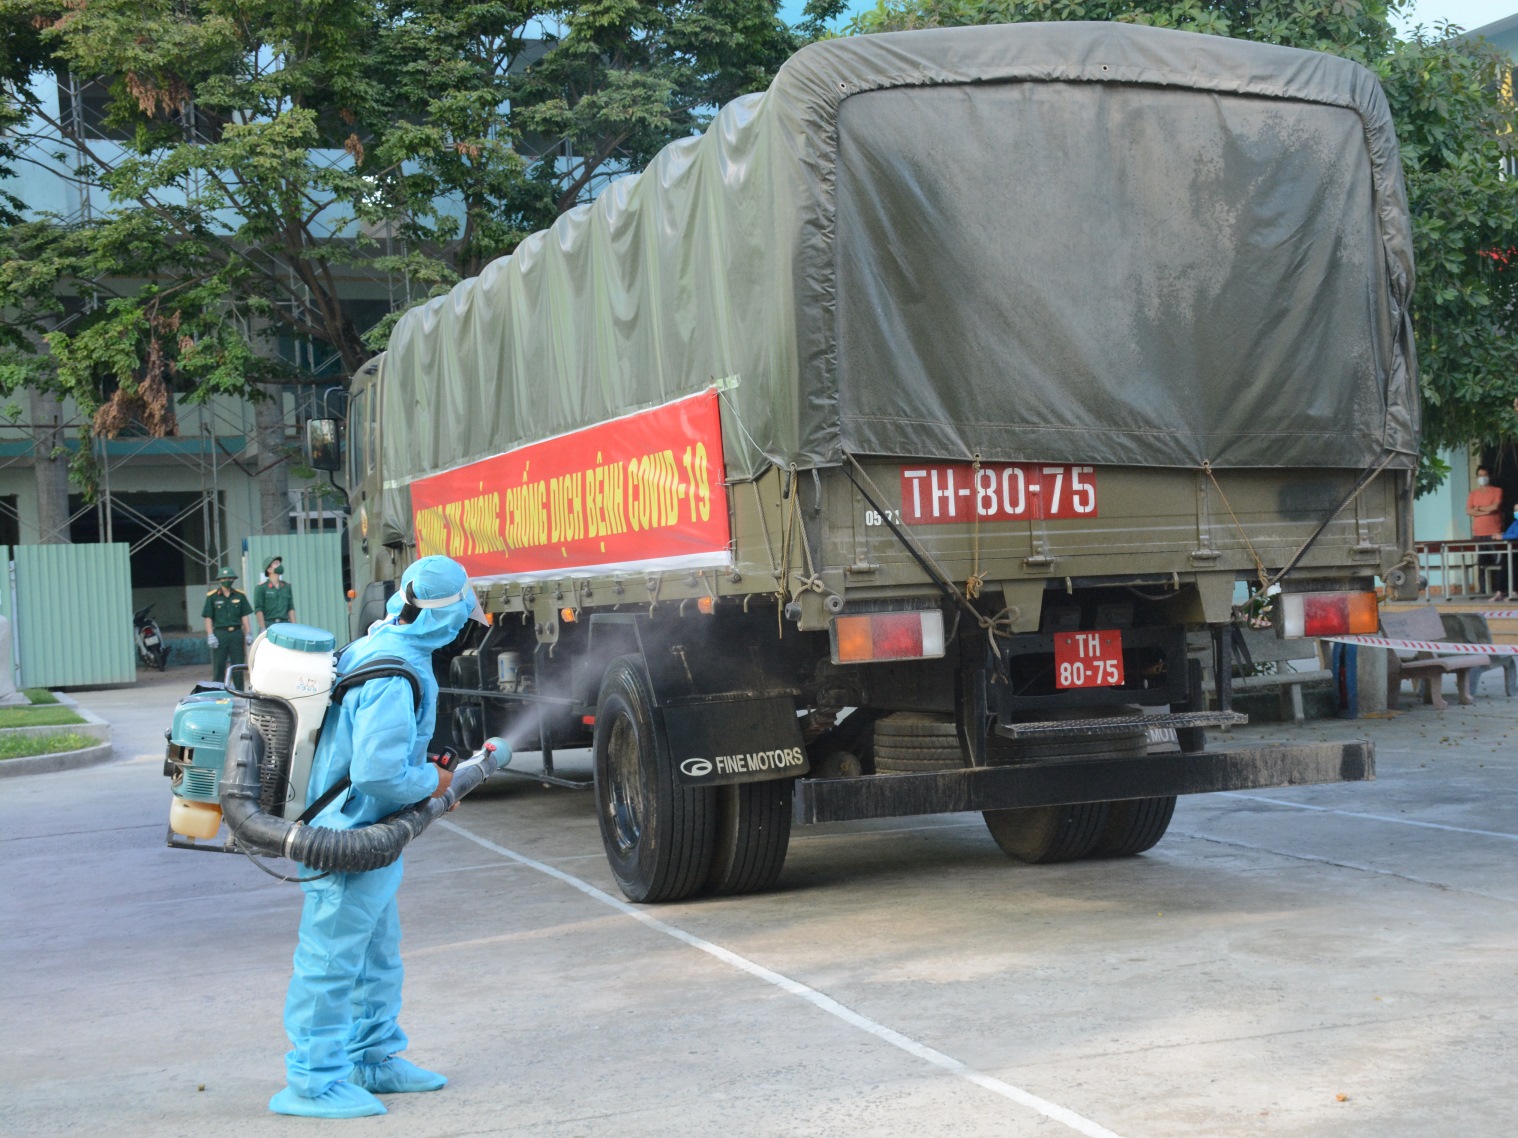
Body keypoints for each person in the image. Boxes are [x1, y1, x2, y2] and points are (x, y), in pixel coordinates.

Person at [270, 555, 485, 1119]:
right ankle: (312, 1083)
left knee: (375, 956)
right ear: (446, 616)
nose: (473, 619)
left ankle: (372, 1058)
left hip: (368, 837)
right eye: (467, 607)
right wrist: (432, 782)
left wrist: (426, 773)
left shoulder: (382, 645)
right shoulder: (395, 671)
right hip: (345, 838)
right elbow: (376, 773)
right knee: (331, 962)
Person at [202, 568, 253, 682]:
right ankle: (218, 694)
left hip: (236, 633)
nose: (227, 580)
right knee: (219, 666)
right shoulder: (212, 597)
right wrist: (210, 635)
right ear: (219, 580)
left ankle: (240, 694)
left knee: (238, 665)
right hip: (220, 634)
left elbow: (244, 616)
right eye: (224, 578)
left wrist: (248, 632)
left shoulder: (240, 596)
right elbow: (208, 617)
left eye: (230, 578)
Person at [1467, 466, 1504, 597]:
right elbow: (1469, 511)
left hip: (1494, 532)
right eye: (1480, 475)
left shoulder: (1497, 491)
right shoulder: (1473, 494)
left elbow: (1495, 507)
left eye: (1485, 475)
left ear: (1489, 476)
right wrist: (1486, 510)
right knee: (1481, 563)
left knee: (1499, 562)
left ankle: (1501, 590)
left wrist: (1478, 509)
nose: (1483, 478)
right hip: (1478, 533)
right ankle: (1483, 590)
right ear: (1477, 477)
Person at [253, 555, 297, 631]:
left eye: (279, 563)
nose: (279, 565)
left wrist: (295, 626)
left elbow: (291, 608)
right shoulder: (261, 588)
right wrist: (262, 627)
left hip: (285, 624)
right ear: (269, 569)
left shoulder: (286, 586)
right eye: (276, 563)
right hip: (270, 625)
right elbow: (259, 610)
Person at [1493, 506, 1518, 603]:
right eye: (1515, 510)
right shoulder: (1515, 523)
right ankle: (1500, 591)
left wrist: (1503, 536)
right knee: (1504, 565)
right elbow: (1508, 533)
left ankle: (1515, 591)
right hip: (1512, 550)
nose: (1516, 512)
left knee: (1515, 565)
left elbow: (1516, 535)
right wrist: (1500, 535)